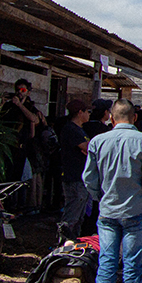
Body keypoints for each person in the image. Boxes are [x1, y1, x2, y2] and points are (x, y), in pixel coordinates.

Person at [81, 99, 142, 283]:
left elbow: (89, 178)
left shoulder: (97, 141)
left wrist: (100, 197)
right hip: (136, 211)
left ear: (112, 118)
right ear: (134, 118)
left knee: (106, 260)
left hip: (108, 211)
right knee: (132, 263)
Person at [58, 99, 91, 242]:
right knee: (72, 215)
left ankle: (73, 244)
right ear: (80, 112)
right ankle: (62, 243)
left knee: (79, 217)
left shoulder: (80, 129)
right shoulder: (71, 129)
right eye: (87, 111)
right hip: (74, 177)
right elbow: (88, 148)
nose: (89, 114)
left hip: (81, 177)